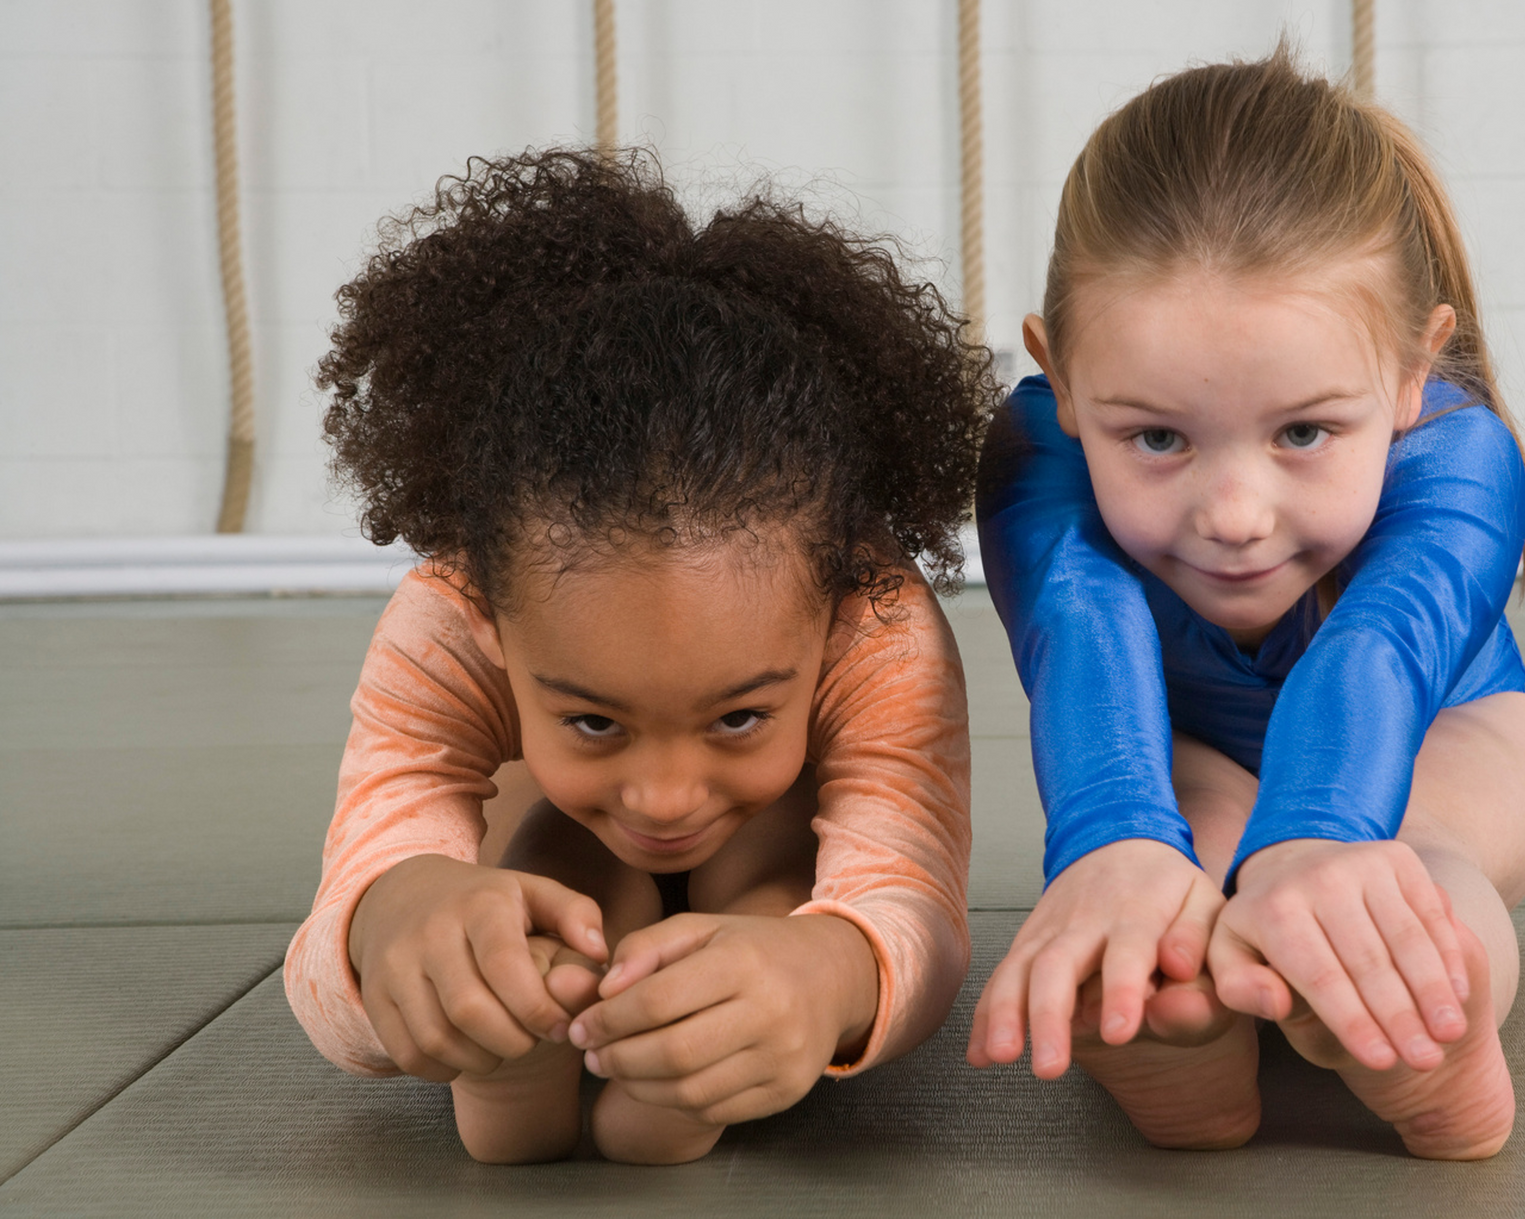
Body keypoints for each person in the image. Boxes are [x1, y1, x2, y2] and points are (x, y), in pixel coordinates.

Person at [284, 148, 996, 1165]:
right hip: (558, 862)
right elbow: (332, 939)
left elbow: (912, 894)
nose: (665, 796)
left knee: (770, 862)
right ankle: (526, 1023)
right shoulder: (444, 616)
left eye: (738, 714)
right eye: (596, 720)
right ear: (487, 615)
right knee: (521, 871)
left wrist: (822, 972)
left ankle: (697, 1041)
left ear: (831, 618)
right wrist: (393, 925)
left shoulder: (877, 619)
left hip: (770, 863)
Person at [967, 48, 1525, 1160]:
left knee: (1423, 867)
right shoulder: (1034, 455)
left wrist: (1323, 833)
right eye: (1157, 437)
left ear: (1415, 373)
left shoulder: (1462, 461)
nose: (1234, 512)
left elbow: (1379, 653)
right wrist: (1118, 845)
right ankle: (1178, 1031)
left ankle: (1433, 1014)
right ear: (1059, 376)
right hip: (1195, 744)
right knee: (1189, 870)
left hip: (1444, 738)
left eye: (1302, 433)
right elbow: (1084, 630)